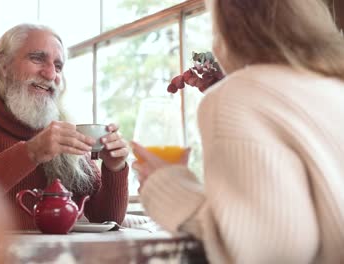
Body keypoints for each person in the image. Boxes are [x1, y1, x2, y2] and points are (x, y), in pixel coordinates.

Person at [132, 0, 344, 263]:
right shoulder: (334, 88)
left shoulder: (235, 97)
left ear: (226, 30)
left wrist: (165, 185)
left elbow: (270, 251)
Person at [0, 24, 130, 229]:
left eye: (58, 66)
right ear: (3, 65)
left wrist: (115, 168)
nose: (51, 74)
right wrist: (31, 152)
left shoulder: (63, 134)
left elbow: (106, 219)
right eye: (37, 58)